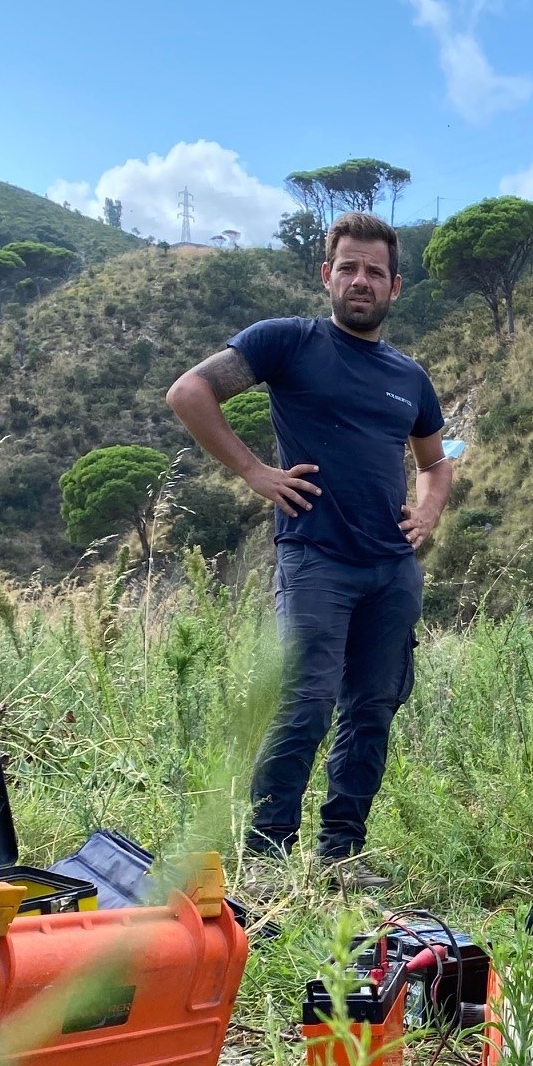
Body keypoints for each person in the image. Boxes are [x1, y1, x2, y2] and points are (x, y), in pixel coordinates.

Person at [167, 211, 452, 888]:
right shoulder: (286, 343)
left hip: (391, 567)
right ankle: (266, 863)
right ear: (327, 275)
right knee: (306, 701)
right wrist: (252, 471)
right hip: (315, 557)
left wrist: (430, 511)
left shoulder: (409, 376)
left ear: (395, 286)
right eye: (348, 267)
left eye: (374, 272)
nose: (360, 280)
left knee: (373, 707)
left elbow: (436, 462)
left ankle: (341, 855)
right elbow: (190, 392)